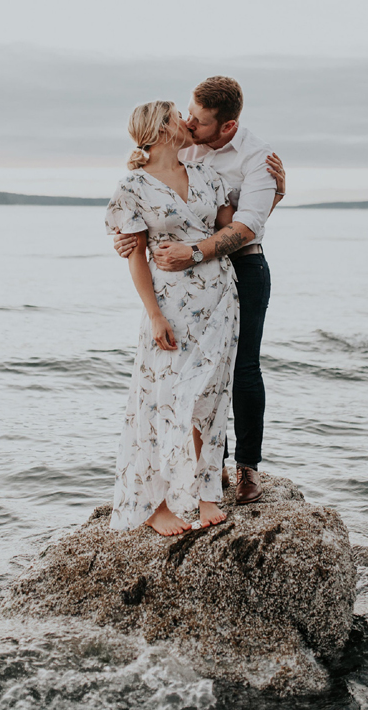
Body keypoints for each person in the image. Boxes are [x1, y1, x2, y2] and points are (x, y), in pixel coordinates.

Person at [114, 77, 286, 506]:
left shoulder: (258, 158)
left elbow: (243, 226)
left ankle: (246, 469)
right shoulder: (183, 144)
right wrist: (129, 239)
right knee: (192, 373)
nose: (189, 124)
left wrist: (273, 197)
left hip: (241, 266)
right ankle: (211, 469)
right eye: (186, 115)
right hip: (182, 280)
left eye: (199, 120)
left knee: (240, 369)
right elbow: (147, 201)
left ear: (227, 127)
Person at [105, 100, 240, 536]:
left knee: (208, 396)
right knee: (161, 397)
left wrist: (274, 193)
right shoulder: (133, 187)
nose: (187, 121)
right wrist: (155, 315)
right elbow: (137, 258)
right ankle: (155, 503)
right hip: (170, 307)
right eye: (177, 116)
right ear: (163, 129)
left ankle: (203, 493)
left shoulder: (207, 175)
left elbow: (230, 232)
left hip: (219, 298)